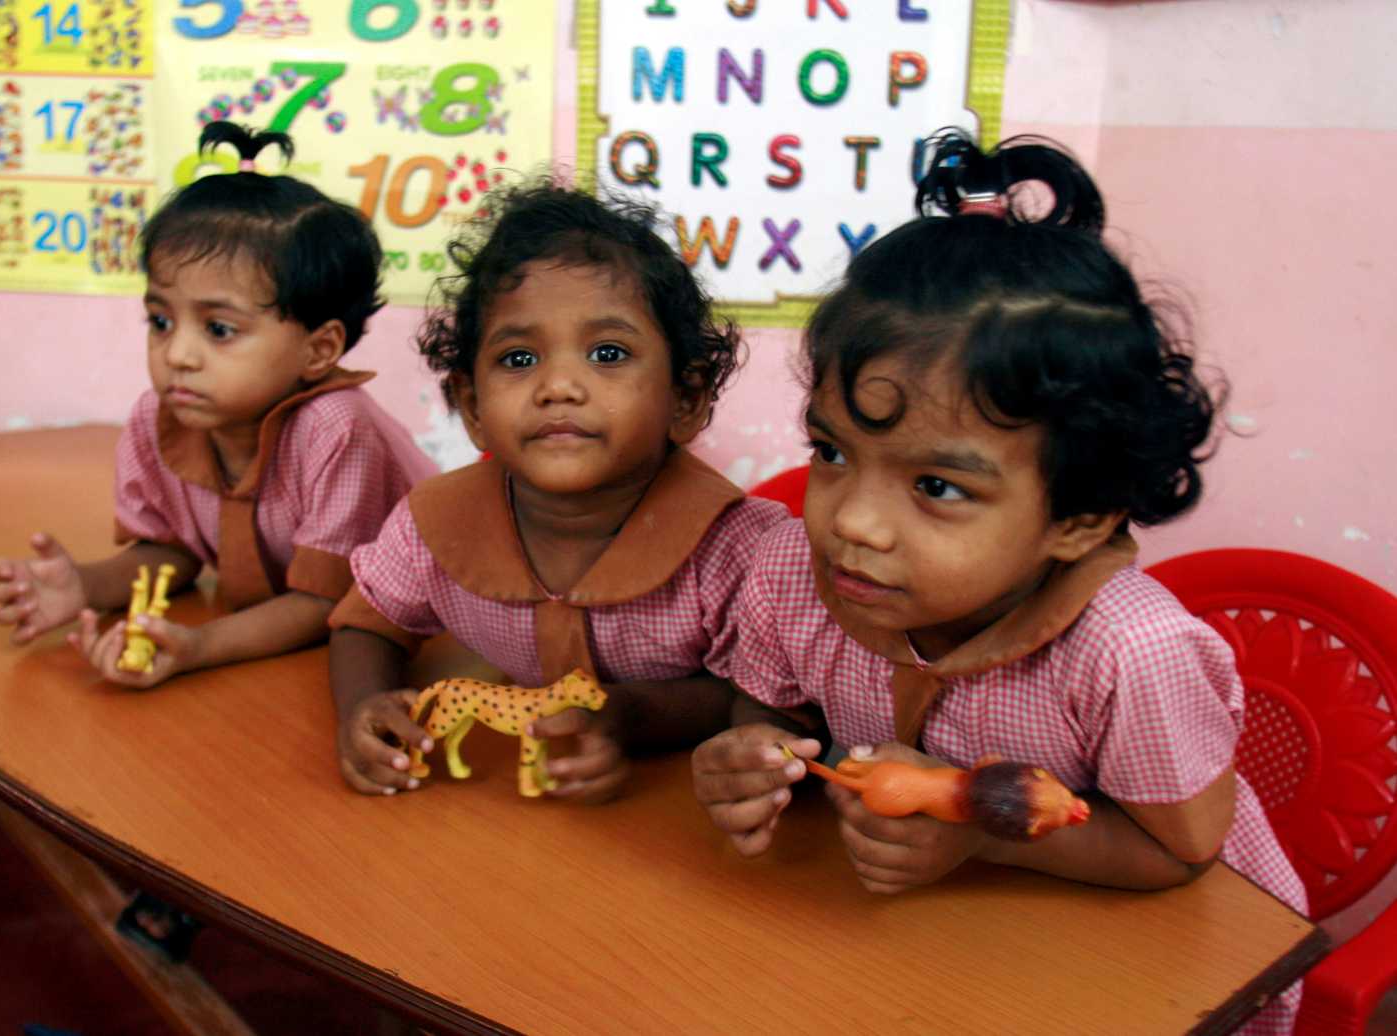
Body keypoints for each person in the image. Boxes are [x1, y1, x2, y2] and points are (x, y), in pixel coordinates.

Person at [691, 132, 1303, 1033]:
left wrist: (976, 833)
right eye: (831, 451)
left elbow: (1179, 855)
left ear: (1080, 518)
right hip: (920, 961)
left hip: (1159, 975)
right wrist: (759, 761)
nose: (852, 521)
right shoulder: (795, 573)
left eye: (937, 486)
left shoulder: (1132, 654)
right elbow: (775, 710)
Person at [328, 180, 787, 803]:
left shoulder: (742, 551)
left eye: (607, 352)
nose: (559, 386)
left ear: (686, 399)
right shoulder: (432, 523)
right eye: (519, 359)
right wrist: (364, 707)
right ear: (472, 406)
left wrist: (626, 718)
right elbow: (367, 622)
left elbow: (759, 697)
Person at [0, 121, 436, 688]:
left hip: (403, 644)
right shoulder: (160, 416)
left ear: (319, 350)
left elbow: (325, 602)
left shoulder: (335, 429)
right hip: (277, 652)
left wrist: (197, 647)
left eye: (219, 329)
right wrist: (87, 585)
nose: (178, 354)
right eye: (161, 321)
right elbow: (172, 554)